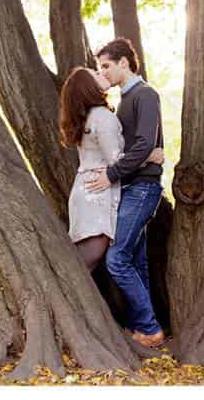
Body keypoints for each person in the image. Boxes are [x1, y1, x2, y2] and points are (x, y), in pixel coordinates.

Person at [84, 38, 167, 348]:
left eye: (106, 65)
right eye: (99, 67)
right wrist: (146, 155)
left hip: (142, 188)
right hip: (130, 185)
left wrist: (111, 174)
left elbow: (145, 143)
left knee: (117, 259)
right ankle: (140, 327)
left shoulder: (144, 95)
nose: (102, 72)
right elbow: (137, 149)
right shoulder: (123, 101)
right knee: (134, 259)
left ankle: (150, 327)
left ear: (124, 63)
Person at [59, 67, 164, 272]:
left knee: (83, 262)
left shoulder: (88, 116)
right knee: (86, 264)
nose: (102, 73)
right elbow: (115, 160)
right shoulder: (102, 116)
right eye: (96, 74)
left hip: (85, 191)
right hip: (96, 194)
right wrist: (150, 156)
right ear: (88, 87)